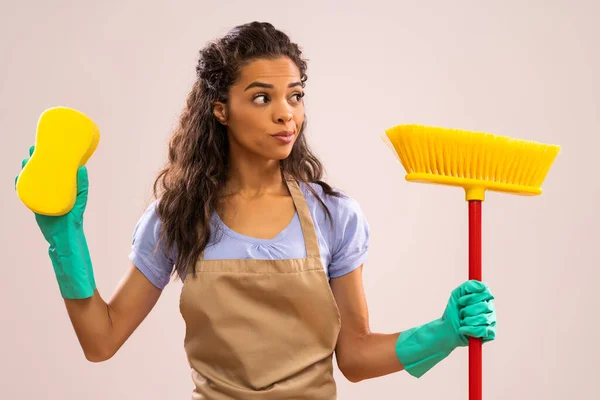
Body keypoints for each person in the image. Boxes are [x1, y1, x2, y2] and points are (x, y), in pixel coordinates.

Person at [18, 21, 496, 399]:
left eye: (295, 96)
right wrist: (65, 238)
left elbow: (353, 356)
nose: (286, 113)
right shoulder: (177, 217)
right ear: (221, 108)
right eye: (262, 97)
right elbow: (101, 341)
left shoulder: (334, 216)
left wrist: (443, 332)